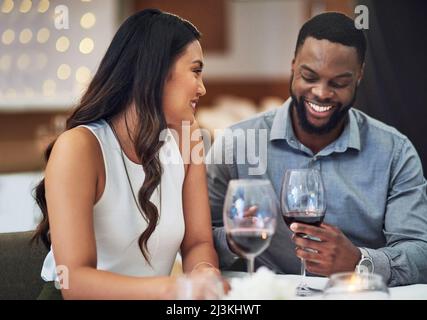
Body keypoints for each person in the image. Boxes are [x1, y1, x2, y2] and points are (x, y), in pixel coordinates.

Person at [207, 12, 427, 286]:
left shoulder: (395, 151)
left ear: (358, 77)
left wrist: (360, 261)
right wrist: (233, 239)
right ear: (293, 66)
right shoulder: (236, 143)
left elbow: (421, 253)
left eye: (338, 83)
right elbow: (198, 240)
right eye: (309, 76)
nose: (321, 93)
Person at [33, 9, 222, 299]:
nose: (202, 87)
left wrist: (204, 273)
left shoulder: (187, 137)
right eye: (195, 71)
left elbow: (197, 242)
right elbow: (76, 283)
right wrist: (176, 288)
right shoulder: (80, 148)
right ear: (156, 72)